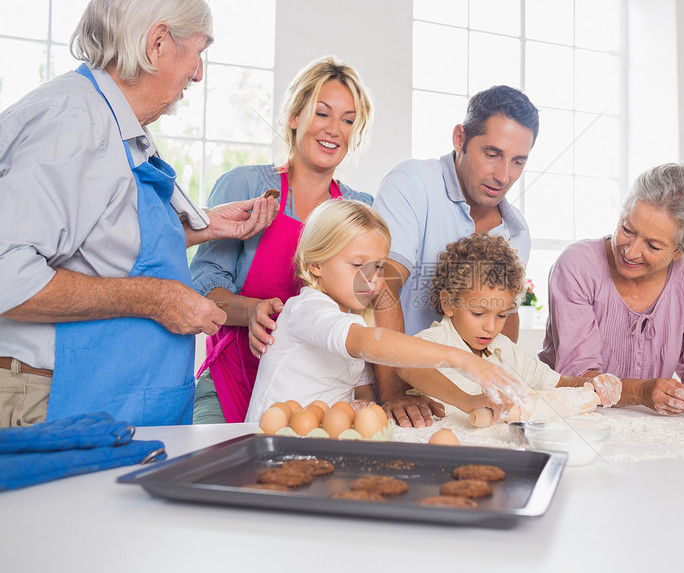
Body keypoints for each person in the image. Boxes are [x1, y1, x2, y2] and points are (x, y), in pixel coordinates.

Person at [0, 0, 279, 428]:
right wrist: (158, 299)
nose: (199, 72)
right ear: (158, 44)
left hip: (101, 403)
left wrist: (202, 226)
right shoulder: (72, 121)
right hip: (50, 404)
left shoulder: (117, 124)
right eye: (199, 52)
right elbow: (7, 275)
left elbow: (99, 237)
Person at [189, 56, 374, 424]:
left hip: (319, 394)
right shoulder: (246, 186)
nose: (335, 129)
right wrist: (251, 311)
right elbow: (204, 285)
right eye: (322, 113)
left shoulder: (359, 209)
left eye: (348, 120)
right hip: (235, 377)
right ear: (294, 117)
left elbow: (365, 308)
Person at [245, 200, 529, 423]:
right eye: (358, 265)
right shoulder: (307, 310)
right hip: (269, 444)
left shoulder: (353, 317)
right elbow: (367, 342)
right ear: (316, 264)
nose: (371, 278)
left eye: (379, 267)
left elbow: (362, 390)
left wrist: (465, 401)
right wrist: (461, 360)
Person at [372, 85, 540, 428]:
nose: (504, 176)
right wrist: (393, 392)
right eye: (492, 153)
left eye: (518, 161)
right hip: (392, 389)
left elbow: (504, 314)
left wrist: (499, 385)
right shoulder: (411, 184)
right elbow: (381, 286)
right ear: (459, 137)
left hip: (464, 403)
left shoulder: (517, 232)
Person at [539, 163, 684, 416]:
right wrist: (641, 392)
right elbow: (576, 376)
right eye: (627, 229)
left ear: (679, 252)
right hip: (568, 416)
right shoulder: (577, 266)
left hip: (645, 422)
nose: (630, 251)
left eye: (653, 246)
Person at [396, 233, 621, 415]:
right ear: (448, 303)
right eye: (478, 313)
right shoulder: (436, 341)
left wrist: (594, 383)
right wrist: (466, 400)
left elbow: (558, 382)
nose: (491, 327)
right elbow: (407, 365)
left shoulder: (508, 352)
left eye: (502, 315)